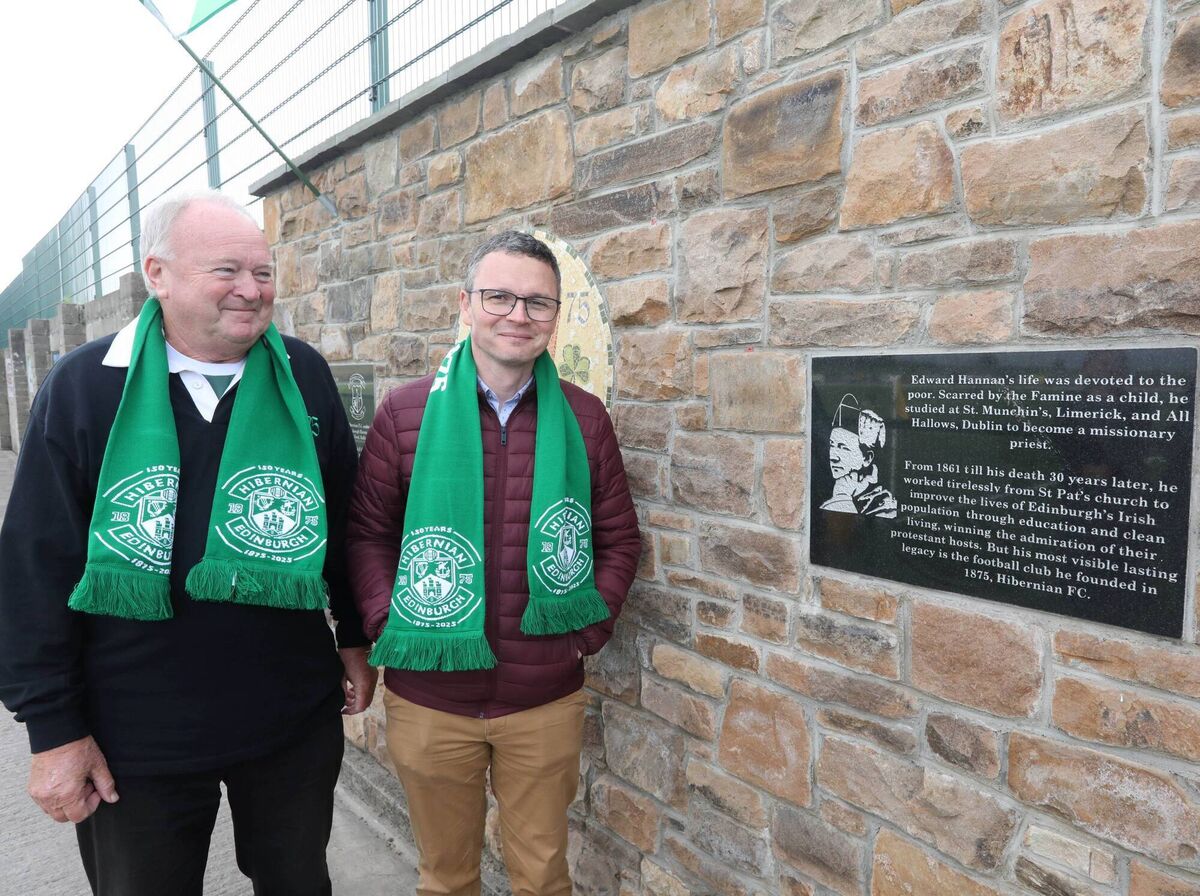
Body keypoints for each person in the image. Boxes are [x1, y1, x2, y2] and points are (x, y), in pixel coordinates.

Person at [0, 190, 376, 896]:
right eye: (226, 270)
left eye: (263, 272)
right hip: (134, 731)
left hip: (288, 715)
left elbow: (343, 522)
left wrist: (355, 638)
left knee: (298, 881)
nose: (250, 289)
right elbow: (33, 568)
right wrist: (53, 730)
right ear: (158, 274)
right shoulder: (85, 387)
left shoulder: (304, 374)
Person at [347, 230, 640, 895]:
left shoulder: (583, 418)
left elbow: (620, 539)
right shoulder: (405, 412)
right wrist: (388, 616)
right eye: (499, 296)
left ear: (555, 315)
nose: (517, 314)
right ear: (466, 303)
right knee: (446, 878)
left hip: (542, 700)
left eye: (537, 302)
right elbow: (367, 535)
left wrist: (586, 630)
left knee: (542, 876)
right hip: (430, 698)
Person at [820, 394, 897, 518]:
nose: (833, 456)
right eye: (832, 445)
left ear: (867, 458)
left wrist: (841, 497)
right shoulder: (823, 487)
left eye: (843, 447)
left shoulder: (883, 506)